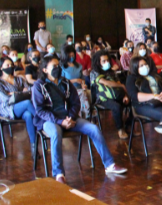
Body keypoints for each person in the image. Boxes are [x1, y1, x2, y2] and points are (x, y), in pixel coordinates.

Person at [32, 55, 127, 183]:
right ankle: (59, 173)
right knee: (55, 133)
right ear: (44, 70)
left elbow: (76, 103)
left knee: (93, 128)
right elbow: (40, 110)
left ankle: (109, 164)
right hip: (49, 121)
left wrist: (70, 118)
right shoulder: (39, 86)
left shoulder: (65, 82)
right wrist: (60, 121)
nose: (57, 68)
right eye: (54, 66)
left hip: (69, 118)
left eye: (58, 65)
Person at [0, 57, 36, 146]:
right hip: (7, 108)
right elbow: (5, 98)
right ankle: (42, 120)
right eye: (7, 65)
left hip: (22, 107)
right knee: (27, 102)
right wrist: (20, 92)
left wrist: (14, 93)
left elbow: (29, 91)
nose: (10, 67)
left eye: (11, 65)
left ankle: (33, 144)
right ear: (1, 67)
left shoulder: (19, 79)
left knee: (28, 115)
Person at [92, 51, 131, 139]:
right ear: (98, 62)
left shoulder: (111, 72)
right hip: (102, 98)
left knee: (131, 102)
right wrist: (121, 86)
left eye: (108, 60)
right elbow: (106, 82)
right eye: (104, 61)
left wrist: (125, 94)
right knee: (116, 106)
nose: (107, 63)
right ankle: (120, 129)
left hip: (116, 95)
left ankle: (129, 125)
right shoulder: (94, 73)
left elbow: (117, 82)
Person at [60, 45, 91, 119]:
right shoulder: (62, 67)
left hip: (79, 88)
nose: (71, 57)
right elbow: (61, 81)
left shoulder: (79, 66)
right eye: (69, 56)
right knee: (82, 94)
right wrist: (75, 80)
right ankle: (85, 114)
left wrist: (83, 84)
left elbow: (82, 79)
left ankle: (85, 114)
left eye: (73, 55)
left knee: (87, 92)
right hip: (67, 89)